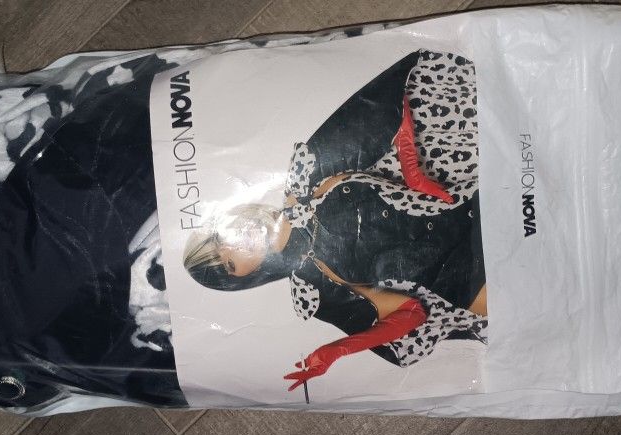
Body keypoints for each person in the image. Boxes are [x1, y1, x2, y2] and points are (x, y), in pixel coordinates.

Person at [184, 49, 487, 391]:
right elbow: (412, 313)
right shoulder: (312, 291)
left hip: (472, 200)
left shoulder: (307, 174)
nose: (236, 243)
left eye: (219, 237)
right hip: (467, 282)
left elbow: (388, 107)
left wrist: (414, 174)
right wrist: (335, 351)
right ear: (243, 277)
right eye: (228, 262)